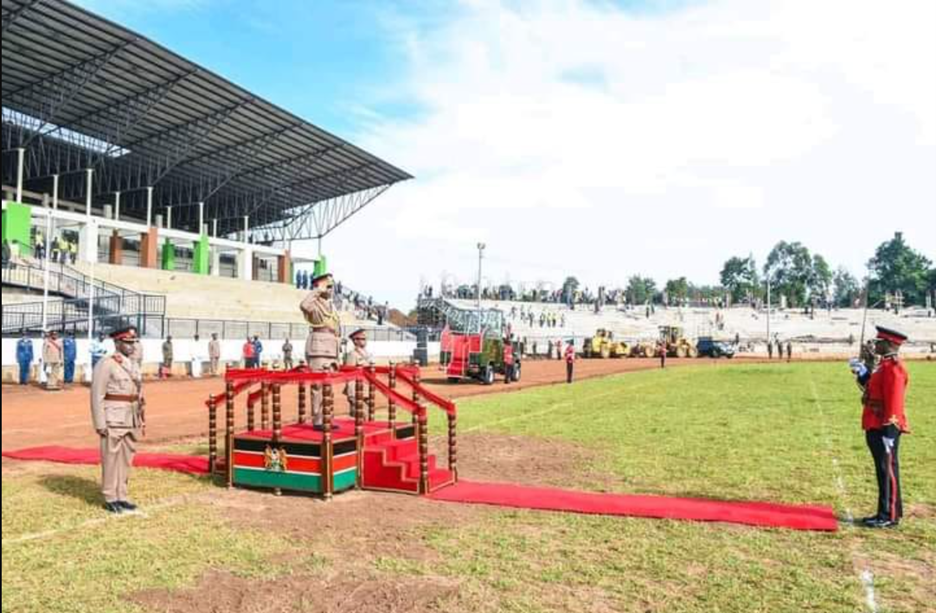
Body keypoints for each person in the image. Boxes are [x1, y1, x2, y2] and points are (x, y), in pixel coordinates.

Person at [850, 326, 911, 529]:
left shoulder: (894, 368)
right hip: (875, 423)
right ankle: (886, 511)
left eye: (879, 342)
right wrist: (862, 373)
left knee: (888, 470)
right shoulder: (884, 367)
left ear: (889, 344)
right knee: (883, 470)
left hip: (885, 426)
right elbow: (872, 389)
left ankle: (889, 515)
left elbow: (894, 402)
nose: (875, 344)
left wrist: (889, 431)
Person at [91, 326, 145, 514]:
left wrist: (140, 415)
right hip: (113, 418)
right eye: (127, 342)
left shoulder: (133, 364)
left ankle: (122, 494)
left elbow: (138, 391)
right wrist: (100, 423)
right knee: (110, 458)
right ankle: (109, 496)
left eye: (133, 342)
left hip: (131, 417)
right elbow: (97, 395)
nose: (131, 346)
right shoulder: (106, 364)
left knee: (126, 458)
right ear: (117, 343)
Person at [300, 272, 341, 430]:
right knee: (318, 385)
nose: (330, 289)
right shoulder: (314, 302)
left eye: (331, 286)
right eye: (327, 286)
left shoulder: (332, 305)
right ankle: (318, 420)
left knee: (329, 386)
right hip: (318, 347)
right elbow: (304, 305)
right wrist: (318, 290)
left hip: (332, 347)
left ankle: (327, 418)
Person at [343, 328, 373, 417]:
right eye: (361, 339)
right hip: (356, 390)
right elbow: (349, 374)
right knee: (360, 415)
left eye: (365, 339)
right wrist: (351, 393)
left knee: (367, 416)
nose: (364, 341)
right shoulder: (352, 354)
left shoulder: (367, 354)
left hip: (366, 389)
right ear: (355, 341)